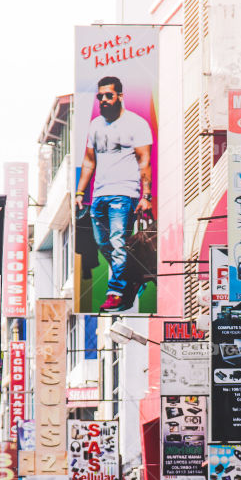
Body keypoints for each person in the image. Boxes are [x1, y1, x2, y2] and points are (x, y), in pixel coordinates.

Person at [75, 75, 153, 313]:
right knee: (103, 243)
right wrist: (80, 192)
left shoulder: (136, 124)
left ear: (120, 96)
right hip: (99, 195)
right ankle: (132, 276)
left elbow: (144, 160)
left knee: (118, 242)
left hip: (124, 193)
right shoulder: (96, 125)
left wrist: (145, 196)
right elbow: (89, 161)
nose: (104, 100)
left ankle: (116, 292)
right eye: (100, 96)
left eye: (109, 95)